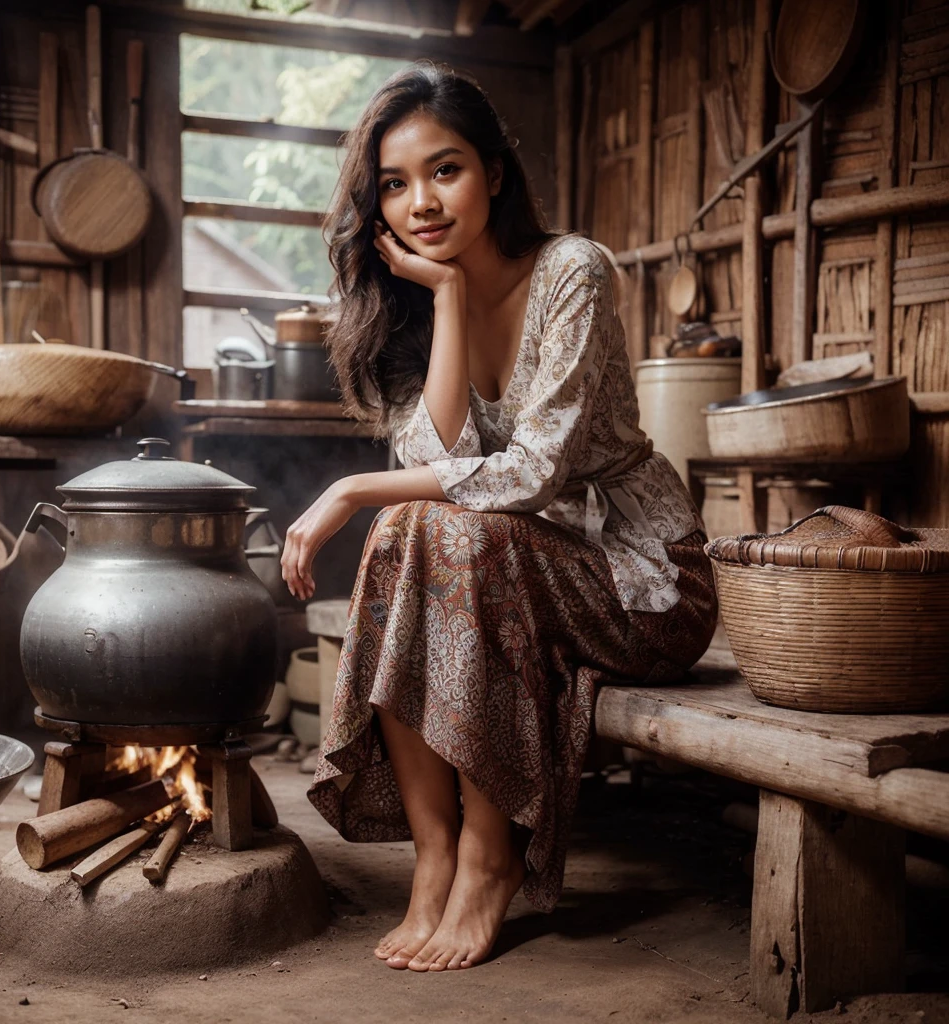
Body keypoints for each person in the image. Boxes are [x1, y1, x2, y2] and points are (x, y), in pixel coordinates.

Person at [280, 62, 717, 973]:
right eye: (394, 186)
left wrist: (350, 491)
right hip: (516, 561)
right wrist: (443, 300)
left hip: (642, 576)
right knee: (416, 529)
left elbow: (531, 473)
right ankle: (434, 855)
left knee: (436, 526)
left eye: (446, 170)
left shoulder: (572, 272)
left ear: (496, 173)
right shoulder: (407, 308)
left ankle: (491, 857)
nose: (421, 203)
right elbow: (437, 471)